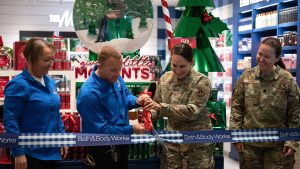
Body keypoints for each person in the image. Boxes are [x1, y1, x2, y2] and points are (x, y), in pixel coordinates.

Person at [230, 37, 300, 169]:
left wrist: (292, 141)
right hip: (250, 146)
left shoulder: (287, 80)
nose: (261, 59)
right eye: (260, 54)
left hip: (278, 148)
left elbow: (295, 112)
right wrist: (236, 135)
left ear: (277, 58)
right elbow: (237, 108)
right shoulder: (246, 77)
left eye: (267, 56)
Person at [76, 45, 149, 169]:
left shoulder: (115, 78)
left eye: (119, 68)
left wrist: (137, 101)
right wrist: (131, 129)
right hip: (101, 149)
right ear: (100, 66)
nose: (118, 73)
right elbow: (101, 132)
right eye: (113, 70)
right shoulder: (89, 94)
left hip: (122, 143)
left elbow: (125, 96)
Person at [145, 43, 215, 169]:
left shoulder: (201, 81)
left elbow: (192, 111)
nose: (177, 70)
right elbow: (156, 106)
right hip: (172, 146)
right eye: (174, 65)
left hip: (197, 147)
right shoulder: (165, 79)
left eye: (182, 66)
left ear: (192, 62)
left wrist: (162, 109)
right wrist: (149, 115)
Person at [4, 38, 68, 169]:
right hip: (29, 155)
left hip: (51, 152)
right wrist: (18, 153)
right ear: (30, 59)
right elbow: (11, 121)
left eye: (52, 59)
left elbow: (56, 114)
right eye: (46, 60)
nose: (51, 64)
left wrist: (62, 138)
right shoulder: (18, 85)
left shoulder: (50, 82)